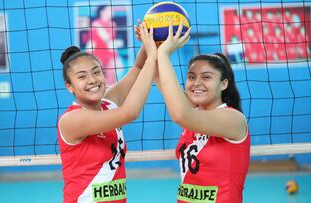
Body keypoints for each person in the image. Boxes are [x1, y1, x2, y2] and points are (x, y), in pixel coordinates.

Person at [57, 22, 157, 203]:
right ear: (69, 87)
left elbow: (138, 69)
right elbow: (130, 113)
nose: (92, 80)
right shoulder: (72, 119)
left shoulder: (107, 104)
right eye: (81, 76)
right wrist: (154, 56)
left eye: (97, 72)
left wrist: (149, 40)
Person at [156, 21, 250, 203]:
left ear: (223, 84)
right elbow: (159, 76)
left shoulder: (233, 119)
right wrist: (152, 45)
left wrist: (164, 54)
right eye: (191, 77)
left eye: (206, 77)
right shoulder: (193, 112)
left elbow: (180, 115)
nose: (196, 82)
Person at [86, 5, 124, 86]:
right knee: (98, 78)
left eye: (112, 10)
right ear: (102, 12)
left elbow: (108, 41)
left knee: (113, 75)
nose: (112, 12)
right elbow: (92, 42)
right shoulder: (95, 23)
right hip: (96, 54)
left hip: (109, 54)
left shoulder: (112, 24)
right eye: (109, 10)